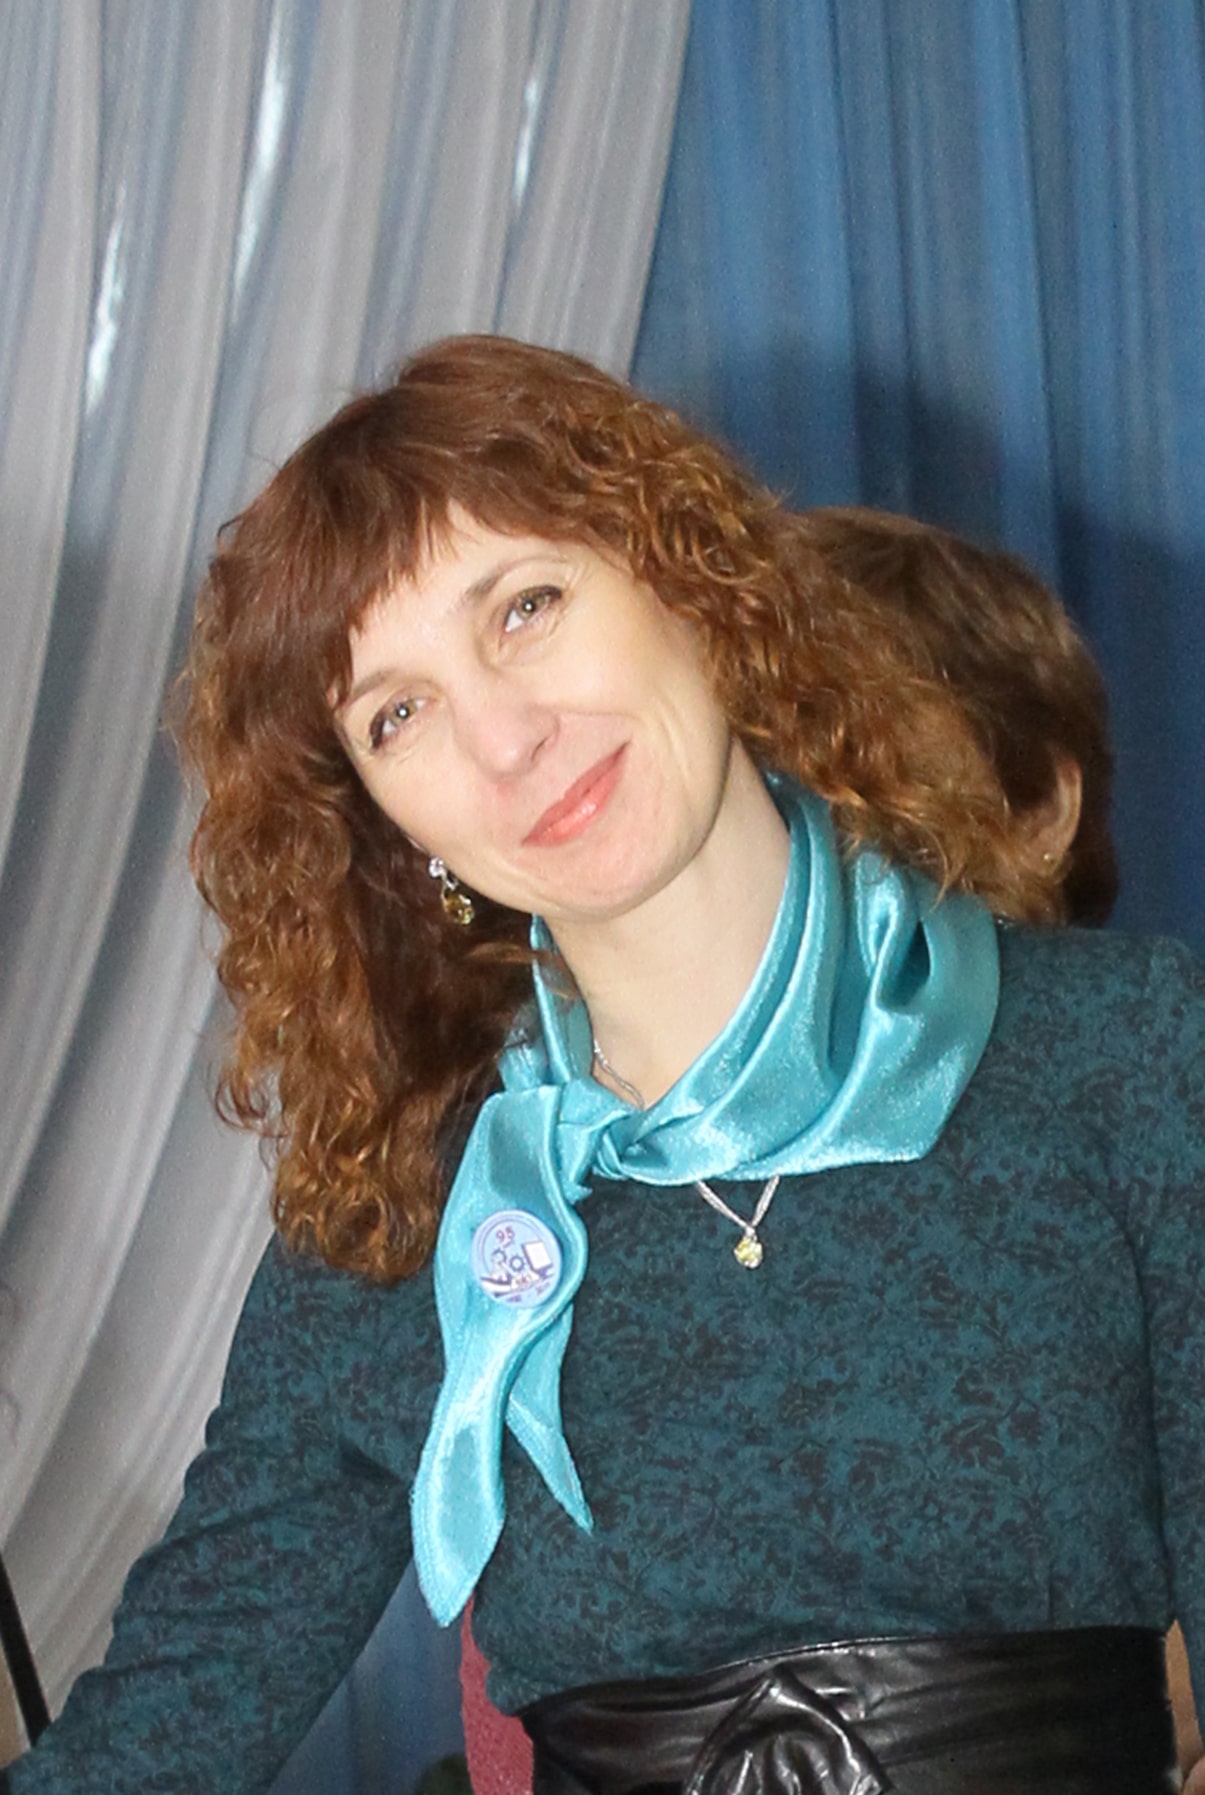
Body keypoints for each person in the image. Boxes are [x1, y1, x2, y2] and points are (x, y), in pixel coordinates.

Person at [3, 336, 1203, 1794]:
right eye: (397, 713)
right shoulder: (403, 1223)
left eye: (525, 608)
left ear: (689, 581)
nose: (506, 740)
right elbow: (149, 1745)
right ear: (383, 826)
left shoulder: (1126, 1053)